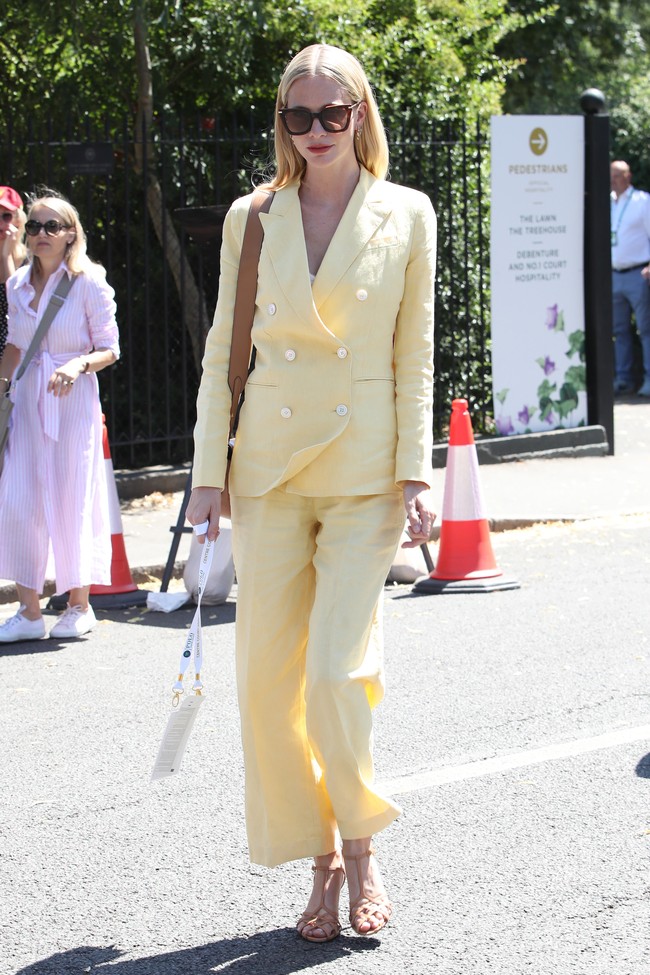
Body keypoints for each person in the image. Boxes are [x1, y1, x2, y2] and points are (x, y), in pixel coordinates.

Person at [187, 44, 436, 942]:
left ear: (362, 115)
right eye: (301, 116)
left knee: (337, 673)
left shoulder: (408, 213)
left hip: (366, 471)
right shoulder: (253, 217)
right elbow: (225, 352)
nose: (319, 130)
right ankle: (320, 861)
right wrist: (207, 476)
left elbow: (415, 356)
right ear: (283, 124)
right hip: (268, 473)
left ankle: (364, 848)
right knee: (265, 686)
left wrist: (416, 473)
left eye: (336, 114)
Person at [0, 190, 120, 642]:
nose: (41, 234)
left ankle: (78, 605)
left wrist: (76, 364)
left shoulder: (89, 280)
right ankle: (28, 612)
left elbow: (111, 346)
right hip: (29, 400)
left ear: (71, 234)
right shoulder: (15, 286)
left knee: (73, 496)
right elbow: (15, 345)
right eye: (33, 226)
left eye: (52, 226)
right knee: (18, 501)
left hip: (72, 403)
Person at [610, 160, 650, 397]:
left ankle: (649, 378)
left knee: (645, 329)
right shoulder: (607, 201)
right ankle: (623, 378)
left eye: (617, 175)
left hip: (637, 274)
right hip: (614, 275)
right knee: (619, 330)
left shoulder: (642, 202)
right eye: (611, 175)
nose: (613, 179)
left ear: (628, 176)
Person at [0, 186, 27, 360]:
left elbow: (18, 304)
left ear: (18, 220)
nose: (0, 224)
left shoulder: (30, 261)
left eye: (6, 216)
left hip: (16, 352)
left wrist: (6, 256)